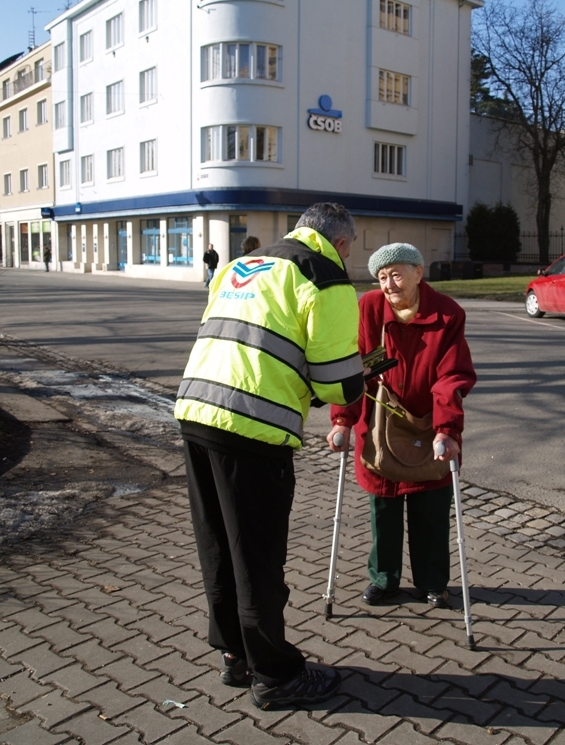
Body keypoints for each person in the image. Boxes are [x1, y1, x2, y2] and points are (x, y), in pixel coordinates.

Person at [174, 202, 364, 710]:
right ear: (341, 244)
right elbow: (338, 382)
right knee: (256, 556)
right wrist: (358, 377)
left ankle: (236, 656)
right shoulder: (325, 276)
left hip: (196, 412)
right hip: (252, 429)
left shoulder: (241, 266)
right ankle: (276, 675)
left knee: (218, 545)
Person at [327, 243, 477, 610]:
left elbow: (452, 375)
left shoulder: (447, 313)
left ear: (417, 273)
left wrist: (447, 429)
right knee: (384, 510)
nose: (389, 284)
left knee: (431, 511)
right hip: (378, 426)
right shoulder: (368, 308)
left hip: (429, 427)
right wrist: (342, 420)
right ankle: (384, 579)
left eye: (396, 274)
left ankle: (433, 583)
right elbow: (355, 367)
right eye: (382, 277)